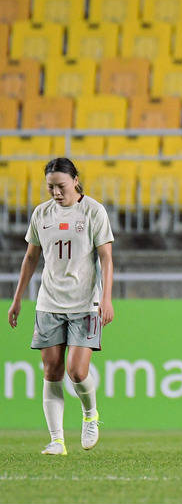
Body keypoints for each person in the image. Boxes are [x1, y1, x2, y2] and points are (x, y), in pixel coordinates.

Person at [6, 158, 114, 456]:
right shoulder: (41, 214)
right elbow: (30, 258)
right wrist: (18, 299)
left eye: (61, 186)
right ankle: (56, 440)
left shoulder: (93, 211)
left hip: (86, 303)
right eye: (50, 187)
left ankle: (90, 415)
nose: (56, 192)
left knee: (77, 372)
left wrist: (106, 298)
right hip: (49, 302)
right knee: (52, 370)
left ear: (75, 181)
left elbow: (106, 258)